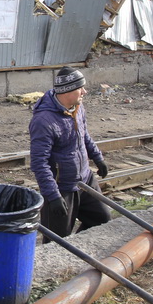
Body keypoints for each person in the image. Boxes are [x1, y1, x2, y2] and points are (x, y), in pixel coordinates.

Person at [29, 67, 110, 238]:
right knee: (58, 240)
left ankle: (81, 249)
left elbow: (83, 135)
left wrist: (97, 157)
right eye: (80, 88)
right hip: (62, 187)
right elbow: (39, 163)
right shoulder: (43, 121)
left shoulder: (77, 107)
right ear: (67, 91)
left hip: (85, 179)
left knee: (102, 219)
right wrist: (53, 196)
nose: (85, 92)